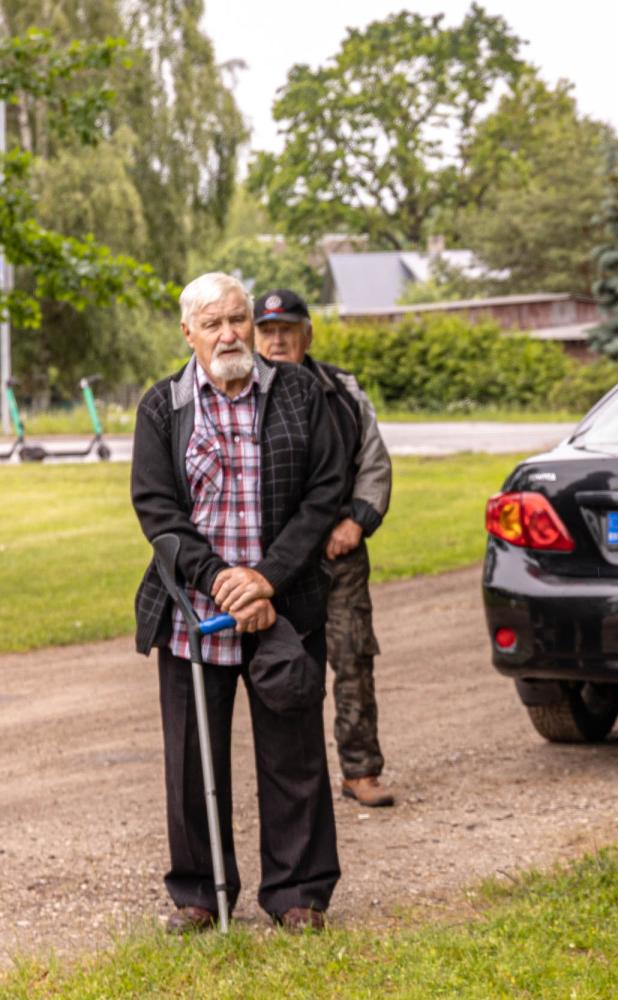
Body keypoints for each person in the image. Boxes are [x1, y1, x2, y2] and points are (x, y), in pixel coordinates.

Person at [131, 272, 346, 932]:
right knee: (193, 759)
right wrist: (226, 580)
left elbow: (326, 492)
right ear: (188, 333)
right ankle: (201, 893)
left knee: (295, 753)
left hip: (285, 604)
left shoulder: (300, 392)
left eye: (238, 319)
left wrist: (267, 579)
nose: (229, 334)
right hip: (194, 612)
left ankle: (298, 893)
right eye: (213, 323)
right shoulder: (163, 405)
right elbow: (158, 509)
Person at [253, 289, 396, 809]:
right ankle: (294, 781)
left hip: (338, 555)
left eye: (287, 330)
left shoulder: (341, 389)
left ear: (307, 334)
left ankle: (361, 770)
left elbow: (374, 463)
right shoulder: (241, 394)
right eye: (268, 330)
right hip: (272, 563)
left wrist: (356, 522)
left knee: (352, 656)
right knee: (284, 667)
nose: (277, 340)